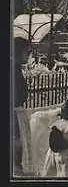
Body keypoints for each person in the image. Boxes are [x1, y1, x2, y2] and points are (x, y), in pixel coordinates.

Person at [13, 37, 29, 176]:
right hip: (13, 113)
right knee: (16, 143)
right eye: (26, 52)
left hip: (17, 111)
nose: (28, 55)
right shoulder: (13, 69)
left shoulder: (16, 68)